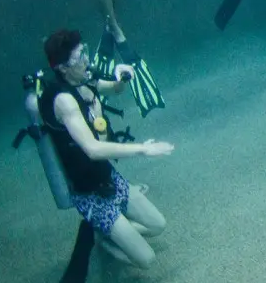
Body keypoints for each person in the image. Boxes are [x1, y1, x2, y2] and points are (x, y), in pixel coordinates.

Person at [38, 29, 172, 270]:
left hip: (107, 176)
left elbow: (114, 88)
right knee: (146, 259)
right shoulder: (64, 100)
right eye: (79, 57)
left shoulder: (84, 78)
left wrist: (122, 77)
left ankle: (114, 232)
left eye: (85, 52)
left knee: (158, 225)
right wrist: (142, 149)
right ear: (63, 68)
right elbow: (92, 149)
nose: (87, 60)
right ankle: (105, 240)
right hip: (89, 193)